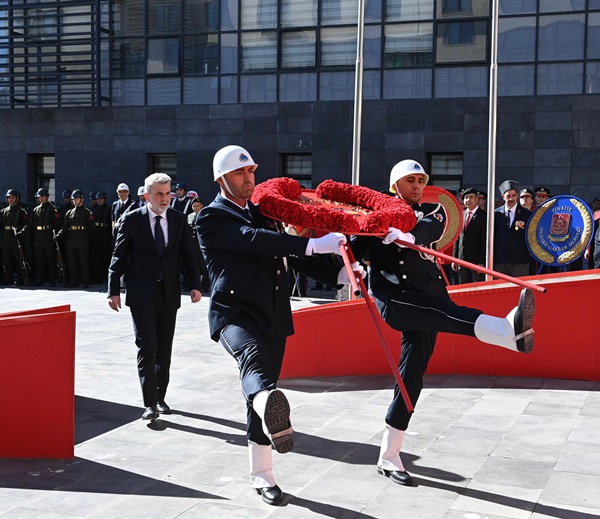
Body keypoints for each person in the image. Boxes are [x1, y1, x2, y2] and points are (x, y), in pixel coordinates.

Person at [350, 160, 536, 488]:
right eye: (410, 180)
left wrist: (405, 232)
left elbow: (433, 226)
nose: (417, 186)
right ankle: (505, 331)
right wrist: (360, 235)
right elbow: (354, 248)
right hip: (396, 298)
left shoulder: (430, 210)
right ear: (395, 185)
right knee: (448, 314)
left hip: (430, 294)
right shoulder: (375, 212)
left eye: (420, 180)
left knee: (411, 378)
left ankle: (389, 455)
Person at [197, 145, 358, 506]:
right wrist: (313, 245)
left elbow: (288, 254)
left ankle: (262, 473)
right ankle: (266, 420)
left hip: (272, 313)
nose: (248, 178)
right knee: (253, 363)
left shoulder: (263, 213)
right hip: (235, 314)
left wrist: (340, 273)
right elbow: (253, 241)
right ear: (221, 179)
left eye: (251, 171)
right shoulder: (211, 216)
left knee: (262, 393)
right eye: (240, 173)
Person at [107, 173, 202, 421]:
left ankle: (161, 397)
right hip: (141, 293)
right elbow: (118, 256)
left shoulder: (178, 220)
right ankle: (149, 403)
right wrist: (113, 290)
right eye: (159, 194)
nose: (165, 198)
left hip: (169, 292)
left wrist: (195, 285)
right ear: (147, 196)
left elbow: (189, 255)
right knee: (147, 346)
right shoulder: (131, 220)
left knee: (164, 348)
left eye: (168, 193)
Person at [55, 190, 95, 288]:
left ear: (82, 199)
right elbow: (65, 227)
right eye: (73, 199)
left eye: (76, 199)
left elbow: (92, 228)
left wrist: (84, 235)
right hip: (72, 241)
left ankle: (85, 281)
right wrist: (59, 235)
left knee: (84, 262)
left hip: (82, 241)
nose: (74, 201)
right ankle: (74, 281)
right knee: (72, 263)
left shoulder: (87, 212)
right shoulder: (69, 213)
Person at [493, 180, 532, 277]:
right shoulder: (495, 214)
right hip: (500, 261)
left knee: (520, 285)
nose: (511, 199)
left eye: (513, 195)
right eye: (508, 196)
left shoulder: (526, 214)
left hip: (519, 260)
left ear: (517, 196)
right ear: (503, 197)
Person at [452, 187, 486, 284]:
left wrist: (481, 262)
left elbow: (484, 241)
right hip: (462, 260)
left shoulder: (483, 216)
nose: (468, 200)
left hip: (476, 262)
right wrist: (455, 259)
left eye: (471, 197)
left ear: (476, 199)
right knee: (463, 286)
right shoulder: (461, 215)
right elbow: (457, 238)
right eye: (466, 198)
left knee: (477, 287)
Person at [30, 188, 62, 287]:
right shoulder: (36, 209)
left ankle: (51, 279)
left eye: (43, 196)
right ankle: (39, 279)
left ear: (47, 197)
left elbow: (57, 224)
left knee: (50, 260)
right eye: (40, 197)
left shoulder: (52, 209)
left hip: (48, 236)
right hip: (39, 237)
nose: (41, 198)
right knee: (39, 260)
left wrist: (56, 235)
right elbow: (31, 224)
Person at [0, 189, 31, 286]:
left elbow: (28, 225)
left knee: (19, 260)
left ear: (17, 198)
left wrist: (21, 233)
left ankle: (21, 279)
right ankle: (8, 278)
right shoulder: (3, 211)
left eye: (13, 197)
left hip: (17, 239)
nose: (11, 199)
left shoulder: (21, 211)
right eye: (9, 197)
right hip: (6, 238)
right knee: (8, 260)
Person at [187, 196, 210, 292]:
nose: (195, 208)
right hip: (192, 246)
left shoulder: (206, 215)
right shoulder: (190, 216)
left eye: (197, 206)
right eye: (194, 206)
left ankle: (205, 286)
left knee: (204, 268)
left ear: (201, 206)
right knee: (193, 267)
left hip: (202, 246)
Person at [90, 191, 113, 284]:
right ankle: (98, 277)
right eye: (98, 199)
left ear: (105, 199)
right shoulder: (94, 210)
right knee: (96, 258)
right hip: (96, 236)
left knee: (106, 257)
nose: (99, 201)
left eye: (101, 199)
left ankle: (107, 276)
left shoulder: (109, 209)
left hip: (105, 236)